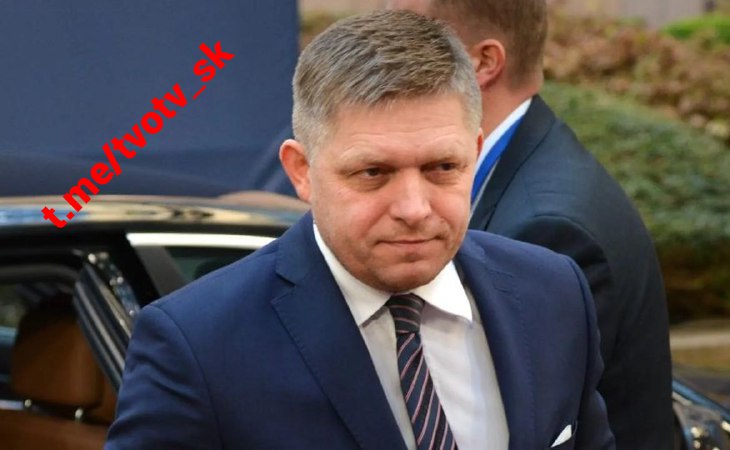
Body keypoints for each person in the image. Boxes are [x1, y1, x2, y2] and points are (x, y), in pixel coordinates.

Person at [105, 10, 614, 450]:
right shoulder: (198, 345)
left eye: (442, 167)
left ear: (475, 153)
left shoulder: (553, 294)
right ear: (301, 171)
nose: (414, 208)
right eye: (373, 173)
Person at [386, 1, 673, 449]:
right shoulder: (531, 167)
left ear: (484, 62)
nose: (383, 57)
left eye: (409, 40)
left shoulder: (548, 229)